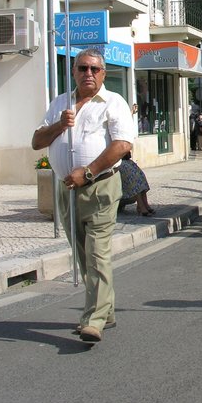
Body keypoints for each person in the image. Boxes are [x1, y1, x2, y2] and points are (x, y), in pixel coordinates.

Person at [31, 48, 134, 342]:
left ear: (103, 73)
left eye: (94, 69)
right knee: (82, 253)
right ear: (74, 71)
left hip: (100, 185)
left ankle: (94, 319)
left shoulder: (113, 102)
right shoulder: (60, 103)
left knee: (97, 252)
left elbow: (122, 145)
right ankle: (106, 309)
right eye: (82, 68)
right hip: (67, 189)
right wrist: (60, 125)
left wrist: (87, 172)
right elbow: (37, 141)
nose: (88, 74)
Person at [118, 152, 155, 216]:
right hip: (118, 162)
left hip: (125, 160)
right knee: (133, 178)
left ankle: (145, 204)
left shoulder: (130, 162)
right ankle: (141, 205)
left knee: (140, 175)